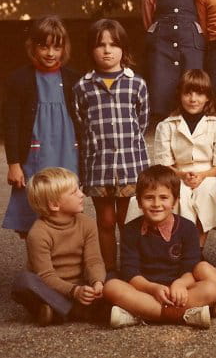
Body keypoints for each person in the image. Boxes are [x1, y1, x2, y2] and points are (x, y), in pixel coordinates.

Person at [73, 19, 149, 272]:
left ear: (123, 49)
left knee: (128, 221)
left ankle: (130, 269)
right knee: (105, 221)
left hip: (130, 166)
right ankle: (108, 269)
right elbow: (81, 124)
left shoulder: (136, 83)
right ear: (91, 50)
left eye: (113, 44)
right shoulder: (82, 87)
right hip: (99, 167)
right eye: (100, 45)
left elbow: (142, 121)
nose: (107, 50)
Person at [103, 165, 216, 329]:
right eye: (149, 198)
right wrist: (153, 288)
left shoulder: (188, 228)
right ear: (139, 202)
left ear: (175, 201)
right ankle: (183, 315)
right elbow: (130, 272)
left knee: (211, 289)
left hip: (179, 291)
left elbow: (191, 268)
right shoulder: (130, 230)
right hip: (144, 290)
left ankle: (140, 314)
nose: (156, 204)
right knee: (111, 287)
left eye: (164, 197)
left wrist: (180, 284)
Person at [3, 16, 80, 238]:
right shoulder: (20, 80)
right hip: (35, 154)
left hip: (67, 152)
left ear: (64, 48)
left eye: (56, 47)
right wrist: (14, 164)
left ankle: (65, 257)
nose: (50, 53)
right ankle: (39, 256)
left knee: (65, 206)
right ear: (32, 47)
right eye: (44, 46)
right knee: (33, 211)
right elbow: (11, 124)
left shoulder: (74, 79)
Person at [137, 70, 216, 252]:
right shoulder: (166, 125)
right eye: (188, 93)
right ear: (180, 95)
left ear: (208, 97)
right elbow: (163, 165)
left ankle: (197, 250)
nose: (193, 99)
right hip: (176, 175)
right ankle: (182, 247)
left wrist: (202, 176)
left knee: (206, 193)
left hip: (208, 174)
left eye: (199, 94)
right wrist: (183, 175)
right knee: (181, 196)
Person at [11, 167, 106, 325]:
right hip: (53, 290)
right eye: (74, 192)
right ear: (54, 205)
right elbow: (46, 276)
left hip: (83, 285)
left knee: (113, 277)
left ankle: (56, 312)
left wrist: (97, 283)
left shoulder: (87, 223)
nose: (81, 194)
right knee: (23, 281)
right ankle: (76, 311)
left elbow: (94, 260)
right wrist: (74, 291)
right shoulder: (38, 233)